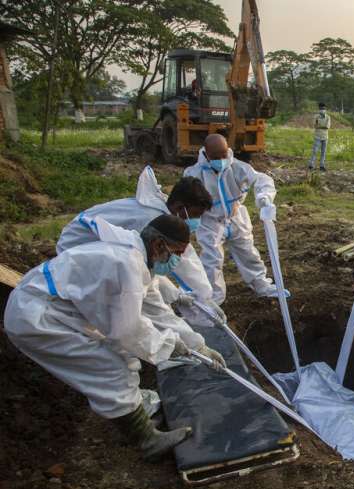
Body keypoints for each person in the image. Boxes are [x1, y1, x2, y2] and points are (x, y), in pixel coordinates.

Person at [4, 215, 227, 461]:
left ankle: (135, 411)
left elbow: (156, 310)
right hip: (38, 319)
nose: (177, 260)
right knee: (110, 367)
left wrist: (197, 344)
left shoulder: (138, 258)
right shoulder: (126, 265)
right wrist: (172, 346)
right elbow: (128, 329)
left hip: (57, 310)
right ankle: (146, 440)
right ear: (158, 245)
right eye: (177, 253)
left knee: (121, 356)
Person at [57, 166, 223, 324]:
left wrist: (191, 298)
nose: (196, 222)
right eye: (195, 215)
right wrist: (204, 299)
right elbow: (185, 264)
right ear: (180, 207)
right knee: (120, 307)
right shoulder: (150, 221)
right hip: (78, 249)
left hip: (89, 243)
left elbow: (168, 266)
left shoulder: (161, 212)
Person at [184, 133, 286, 304]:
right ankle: (214, 299)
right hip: (210, 221)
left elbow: (261, 179)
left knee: (248, 252)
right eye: (216, 157)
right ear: (207, 155)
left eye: (224, 155)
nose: (221, 160)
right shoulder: (194, 173)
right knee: (212, 260)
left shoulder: (237, 167)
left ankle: (261, 285)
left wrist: (264, 196)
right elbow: (185, 197)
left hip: (236, 217)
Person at [308, 102, 331, 171]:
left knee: (323, 152)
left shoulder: (328, 117)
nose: (322, 109)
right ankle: (311, 165)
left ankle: (322, 165)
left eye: (323, 108)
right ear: (319, 108)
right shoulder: (316, 116)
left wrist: (319, 125)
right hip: (317, 136)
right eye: (321, 108)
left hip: (325, 137)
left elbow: (327, 127)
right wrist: (321, 126)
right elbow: (314, 125)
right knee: (315, 151)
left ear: (325, 108)